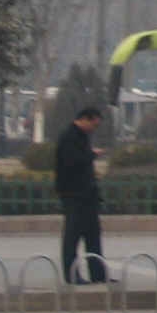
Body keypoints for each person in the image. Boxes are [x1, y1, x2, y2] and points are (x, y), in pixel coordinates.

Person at [55, 106, 108, 285]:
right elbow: (72, 162)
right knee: (72, 236)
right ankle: (72, 275)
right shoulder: (69, 137)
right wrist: (92, 154)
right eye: (94, 125)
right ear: (85, 119)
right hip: (74, 195)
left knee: (93, 236)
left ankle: (98, 274)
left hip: (88, 196)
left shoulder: (83, 137)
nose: (94, 129)